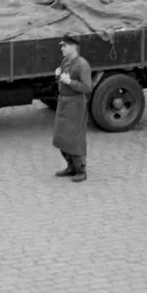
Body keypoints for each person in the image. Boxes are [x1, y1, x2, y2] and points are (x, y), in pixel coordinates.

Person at [52, 33, 93, 183]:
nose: (62, 48)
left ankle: (81, 170)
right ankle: (71, 166)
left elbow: (87, 87)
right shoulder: (66, 61)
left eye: (65, 46)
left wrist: (69, 82)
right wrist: (58, 76)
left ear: (74, 47)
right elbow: (63, 79)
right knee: (61, 137)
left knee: (75, 137)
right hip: (64, 102)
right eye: (62, 46)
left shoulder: (82, 64)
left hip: (76, 104)